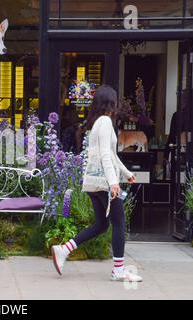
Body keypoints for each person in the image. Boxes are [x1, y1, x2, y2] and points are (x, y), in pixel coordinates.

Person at [51, 85, 143, 282]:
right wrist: (113, 183)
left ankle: (63, 250)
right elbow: (105, 155)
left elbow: (110, 153)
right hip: (103, 183)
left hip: (94, 182)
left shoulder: (98, 123)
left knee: (102, 224)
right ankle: (118, 269)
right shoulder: (105, 123)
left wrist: (126, 173)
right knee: (119, 223)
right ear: (111, 102)